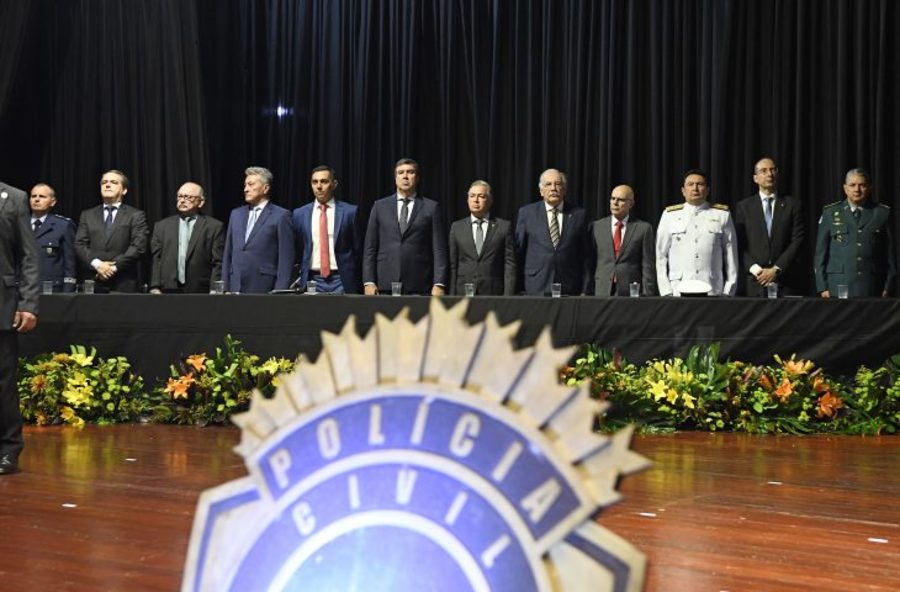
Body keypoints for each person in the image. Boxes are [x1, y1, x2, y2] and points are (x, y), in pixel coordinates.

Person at [363, 158, 448, 295]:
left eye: (410, 172)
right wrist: (368, 281)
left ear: (417, 177)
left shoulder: (431, 207)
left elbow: (439, 249)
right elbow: (370, 247)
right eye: (401, 172)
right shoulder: (380, 206)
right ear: (395, 178)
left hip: (419, 284)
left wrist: (439, 283)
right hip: (384, 284)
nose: (405, 176)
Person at [0, 181, 39, 475]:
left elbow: (28, 255)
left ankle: (8, 448)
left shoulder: (13, 198)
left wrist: (28, 304)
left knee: (3, 383)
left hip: (3, 304)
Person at [814, 168, 896, 298]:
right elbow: (820, 254)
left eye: (862, 185)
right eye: (852, 185)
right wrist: (822, 287)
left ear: (869, 188)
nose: (857, 189)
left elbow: (891, 255)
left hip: (871, 286)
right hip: (837, 287)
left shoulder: (882, 213)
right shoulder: (830, 213)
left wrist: (888, 287)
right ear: (845, 188)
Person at [656, 169, 738, 296]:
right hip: (678, 288)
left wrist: (728, 290)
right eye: (690, 184)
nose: (695, 188)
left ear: (707, 190)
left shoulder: (722, 214)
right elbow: (660, 255)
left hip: (713, 288)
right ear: (683, 191)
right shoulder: (669, 215)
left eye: (700, 184)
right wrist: (666, 291)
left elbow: (731, 255)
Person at [734, 158, 806, 296]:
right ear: (755, 178)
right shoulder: (744, 207)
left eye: (773, 170)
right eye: (764, 171)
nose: (769, 174)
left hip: (786, 280)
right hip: (755, 281)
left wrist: (776, 269)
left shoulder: (793, 205)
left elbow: (798, 240)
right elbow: (739, 243)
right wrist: (757, 271)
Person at [515, 168, 590, 296]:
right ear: (541, 191)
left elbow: (586, 256)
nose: (553, 188)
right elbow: (519, 252)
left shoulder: (579, 215)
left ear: (564, 190)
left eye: (558, 184)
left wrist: (585, 289)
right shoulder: (527, 213)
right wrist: (517, 287)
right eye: (548, 184)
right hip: (535, 286)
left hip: (569, 287)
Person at [222, 166, 295, 293]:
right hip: (235, 285)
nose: (245, 189)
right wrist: (224, 286)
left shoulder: (281, 215)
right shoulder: (236, 214)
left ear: (265, 188)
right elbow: (228, 252)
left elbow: (286, 258)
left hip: (264, 286)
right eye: (245, 185)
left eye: (251, 185)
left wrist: (280, 291)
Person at [74, 170, 149, 292]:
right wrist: (98, 265)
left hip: (124, 282)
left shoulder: (135, 215)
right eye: (104, 182)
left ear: (124, 190)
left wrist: (111, 268)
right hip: (94, 280)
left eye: (113, 182)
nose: (107, 185)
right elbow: (79, 244)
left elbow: (138, 246)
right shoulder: (87, 215)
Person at [291, 166, 362, 294]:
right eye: (315, 182)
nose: (319, 186)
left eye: (324, 181)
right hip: (311, 279)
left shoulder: (350, 212)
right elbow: (298, 248)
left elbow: (357, 248)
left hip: (342, 279)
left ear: (334, 184)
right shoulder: (299, 214)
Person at [149, 182, 224, 294]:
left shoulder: (214, 226)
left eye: (188, 197)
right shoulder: (162, 226)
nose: (182, 200)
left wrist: (214, 289)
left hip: (201, 289)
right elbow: (156, 259)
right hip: (168, 288)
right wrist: (155, 286)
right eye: (180, 196)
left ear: (201, 202)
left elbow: (218, 262)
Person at [447, 180, 516, 296]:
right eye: (472, 196)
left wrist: (508, 297)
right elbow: (453, 265)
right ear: (468, 200)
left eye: (481, 196)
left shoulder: (503, 227)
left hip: (493, 293)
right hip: (463, 292)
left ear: (489, 200)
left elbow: (509, 264)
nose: (476, 200)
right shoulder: (457, 227)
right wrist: (451, 295)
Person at [590, 184, 657, 296]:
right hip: (602, 290)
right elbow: (590, 262)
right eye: (613, 198)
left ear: (630, 204)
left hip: (631, 291)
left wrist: (648, 294)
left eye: (620, 200)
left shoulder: (643, 228)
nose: (615, 203)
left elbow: (647, 265)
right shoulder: (596, 227)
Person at [29, 183, 76, 293]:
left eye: (42, 196)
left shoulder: (63, 226)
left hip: (50, 290)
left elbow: (70, 263)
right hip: (20, 288)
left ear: (53, 202)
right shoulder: (19, 223)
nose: (36, 199)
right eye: (33, 196)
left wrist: (67, 292)